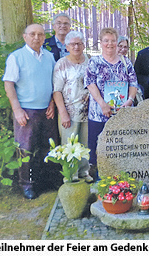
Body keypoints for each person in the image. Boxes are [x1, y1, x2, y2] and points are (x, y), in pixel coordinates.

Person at [3, 24, 59, 199]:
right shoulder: (16, 57)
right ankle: (27, 185)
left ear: (44, 38)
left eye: (40, 34)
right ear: (25, 36)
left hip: (47, 110)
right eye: (32, 34)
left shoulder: (49, 57)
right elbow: (9, 84)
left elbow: (54, 83)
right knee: (25, 149)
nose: (37, 37)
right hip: (26, 111)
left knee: (49, 147)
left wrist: (52, 103)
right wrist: (17, 109)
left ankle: (47, 181)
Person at [84, 28, 139, 177]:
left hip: (123, 112)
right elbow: (90, 83)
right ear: (101, 43)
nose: (110, 44)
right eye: (106, 40)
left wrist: (129, 101)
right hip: (99, 113)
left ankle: (123, 179)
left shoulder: (125, 62)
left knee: (124, 146)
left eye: (113, 40)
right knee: (98, 148)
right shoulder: (94, 61)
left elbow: (133, 83)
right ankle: (99, 180)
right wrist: (102, 104)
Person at [52, 31, 93, 183]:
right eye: (73, 44)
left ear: (83, 45)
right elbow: (56, 91)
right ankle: (71, 175)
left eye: (79, 43)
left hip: (88, 110)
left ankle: (84, 172)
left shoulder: (89, 60)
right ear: (67, 46)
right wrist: (63, 113)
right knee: (70, 145)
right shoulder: (61, 64)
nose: (76, 46)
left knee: (85, 142)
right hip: (69, 111)